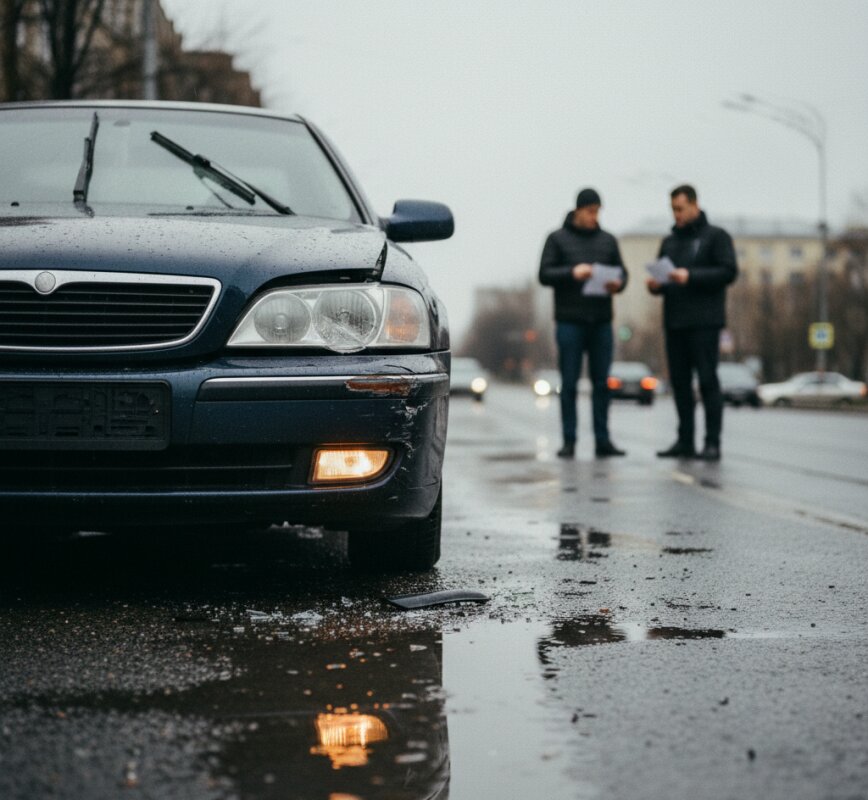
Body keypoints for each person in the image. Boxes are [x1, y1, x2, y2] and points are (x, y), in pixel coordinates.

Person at [646, 184, 738, 461]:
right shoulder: (669, 242)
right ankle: (685, 441)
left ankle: (712, 443)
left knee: (708, 381)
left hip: (705, 322)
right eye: (673, 209)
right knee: (680, 384)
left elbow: (728, 271)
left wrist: (691, 276)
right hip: (675, 323)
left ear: (695, 205)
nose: (676, 214)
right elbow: (664, 278)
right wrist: (655, 285)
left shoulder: (716, 237)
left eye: (680, 208)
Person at [539, 188, 629, 459]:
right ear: (578, 210)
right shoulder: (557, 239)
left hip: (601, 321)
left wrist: (619, 282)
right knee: (570, 383)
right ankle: (569, 441)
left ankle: (603, 440)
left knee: (602, 383)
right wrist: (571, 272)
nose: (594, 216)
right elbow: (544, 274)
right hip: (570, 321)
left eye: (598, 211)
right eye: (590, 211)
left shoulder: (608, 240)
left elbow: (623, 273)